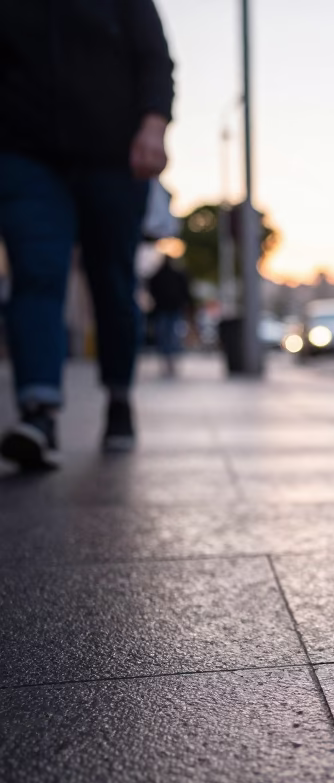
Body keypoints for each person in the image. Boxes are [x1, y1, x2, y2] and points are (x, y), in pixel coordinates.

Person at [0, 1, 174, 469]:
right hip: (26, 154)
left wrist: (154, 124)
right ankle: (39, 411)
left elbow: (154, 59)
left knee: (112, 281)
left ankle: (118, 397)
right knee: (36, 272)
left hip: (114, 157)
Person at [147, 256, 194, 377]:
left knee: (165, 335)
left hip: (164, 308)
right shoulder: (176, 275)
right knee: (171, 335)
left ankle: (168, 359)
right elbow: (185, 291)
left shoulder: (159, 275)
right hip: (171, 308)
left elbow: (151, 287)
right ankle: (170, 359)